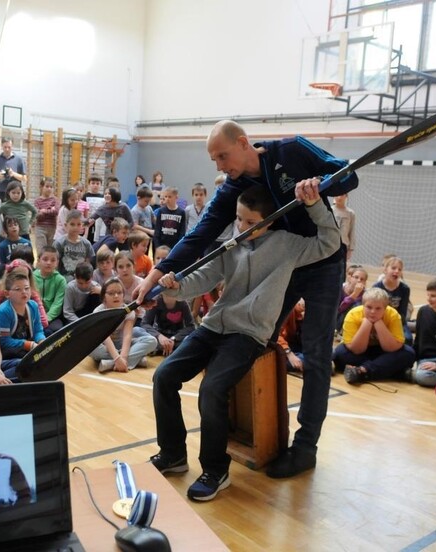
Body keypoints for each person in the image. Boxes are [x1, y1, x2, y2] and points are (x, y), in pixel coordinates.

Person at [135, 120, 358, 480]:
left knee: (316, 355)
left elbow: (348, 177)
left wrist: (319, 185)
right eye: (214, 160)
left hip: (320, 262)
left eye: (222, 155)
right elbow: (199, 236)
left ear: (242, 143)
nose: (220, 166)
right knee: (257, 340)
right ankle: (256, 432)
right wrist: (155, 276)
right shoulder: (232, 191)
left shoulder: (291, 150)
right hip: (279, 266)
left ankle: (305, 447)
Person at [149, 183, 339, 500]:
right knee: (163, 376)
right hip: (212, 327)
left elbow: (331, 242)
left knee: (212, 390)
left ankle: (215, 470)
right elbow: (201, 279)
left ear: (271, 220)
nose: (242, 227)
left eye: (251, 222)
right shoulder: (230, 245)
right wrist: (172, 287)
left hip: (247, 334)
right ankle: (173, 455)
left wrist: (315, 204)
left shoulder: (288, 245)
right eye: (239, 219)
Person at [332, 288, 416, 383]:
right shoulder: (353, 315)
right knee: (340, 354)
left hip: (383, 352)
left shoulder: (393, 315)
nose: (373, 312)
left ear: (385, 308)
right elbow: (356, 349)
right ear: (363, 306)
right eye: (369, 307)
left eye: (378, 308)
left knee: (409, 353)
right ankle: (397, 373)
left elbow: (392, 348)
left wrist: (379, 324)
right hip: (362, 354)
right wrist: (366, 324)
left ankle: (362, 371)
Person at [88, 278, 157, 372]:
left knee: (152, 341)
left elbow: (127, 335)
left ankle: (109, 363)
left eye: (119, 293)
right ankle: (135, 359)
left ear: (123, 295)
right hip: (105, 346)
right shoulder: (98, 311)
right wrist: (117, 358)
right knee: (90, 348)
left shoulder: (127, 310)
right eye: (111, 293)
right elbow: (105, 337)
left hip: (122, 345)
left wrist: (123, 358)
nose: (116, 296)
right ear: (104, 296)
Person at [0, 267, 45, 359]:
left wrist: (42, 341)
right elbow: (3, 341)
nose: (24, 292)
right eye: (18, 289)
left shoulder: (33, 306)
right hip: (9, 350)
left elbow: (38, 330)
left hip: (29, 345)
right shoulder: (3, 311)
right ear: (7, 294)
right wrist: (28, 344)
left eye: (26, 288)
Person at [373, 256, 412, 344]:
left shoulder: (405, 289)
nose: (397, 271)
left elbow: (402, 313)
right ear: (385, 270)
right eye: (393, 268)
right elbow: (373, 310)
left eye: (399, 269)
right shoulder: (376, 287)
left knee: (408, 339)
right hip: (379, 320)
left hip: (396, 320)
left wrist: (394, 325)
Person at [33, 246, 67, 332]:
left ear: (57, 263)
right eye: (45, 259)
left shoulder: (60, 280)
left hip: (52, 317)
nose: (49, 263)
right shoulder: (31, 277)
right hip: (34, 315)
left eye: (53, 260)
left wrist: (47, 319)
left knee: (57, 330)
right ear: (38, 260)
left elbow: (57, 303)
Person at [55, 210, 95, 281]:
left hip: (81, 281)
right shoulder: (59, 243)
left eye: (79, 224)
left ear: (82, 225)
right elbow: (55, 265)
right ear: (66, 225)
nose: (75, 227)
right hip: (63, 280)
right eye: (72, 224)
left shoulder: (86, 244)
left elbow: (88, 265)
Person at [0, 137, 26, 202]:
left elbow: (24, 178)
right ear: (1, 146)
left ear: (12, 146)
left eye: (9, 147)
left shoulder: (19, 160)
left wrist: (13, 174)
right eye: (5, 147)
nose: (7, 149)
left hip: (15, 193)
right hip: (0, 193)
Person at [153, 186, 186, 252]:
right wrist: (157, 246)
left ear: (176, 198)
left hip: (174, 246)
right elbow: (157, 230)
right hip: (161, 244)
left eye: (170, 197)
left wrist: (178, 246)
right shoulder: (161, 211)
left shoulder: (181, 212)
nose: (167, 199)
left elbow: (182, 232)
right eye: (166, 197)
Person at [277, 299, 305, 373]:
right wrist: (289, 354)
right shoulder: (288, 308)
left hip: (293, 343)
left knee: (329, 352)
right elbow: (275, 336)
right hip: (281, 348)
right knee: (307, 359)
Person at [33, 177, 60, 252]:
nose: (49, 189)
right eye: (47, 186)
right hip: (40, 228)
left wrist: (44, 211)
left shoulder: (55, 200)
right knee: (41, 249)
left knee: (51, 249)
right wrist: (50, 210)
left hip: (52, 227)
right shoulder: (37, 201)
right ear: (41, 187)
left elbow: (56, 211)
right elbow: (37, 215)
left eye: (51, 187)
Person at [332, 193, 355, 261]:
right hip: (330, 245)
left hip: (344, 246)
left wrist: (350, 249)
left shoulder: (351, 213)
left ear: (346, 196)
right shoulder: (329, 210)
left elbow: (352, 231)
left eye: (342, 195)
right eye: (337, 195)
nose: (339, 197)